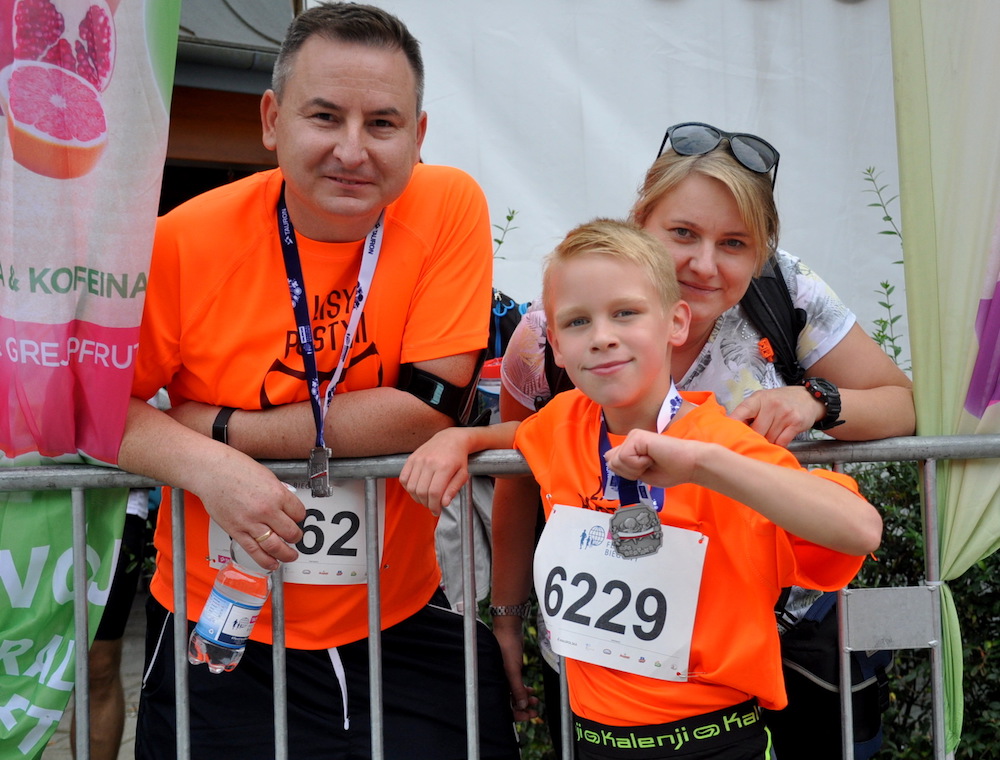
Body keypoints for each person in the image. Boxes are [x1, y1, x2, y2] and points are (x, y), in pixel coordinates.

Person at [115, 4, 518, 759]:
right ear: (272, 120)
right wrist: (212, 471)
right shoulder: (181, 241)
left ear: (419, 136)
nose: (352, 150)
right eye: (325, 116)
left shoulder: (446, 205)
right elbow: (101, 408)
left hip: (398, 617)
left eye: (383, 124)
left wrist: (221, 429)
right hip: (221, 621)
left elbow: (426, 409)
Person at [490, 123, 915, 756]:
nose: (703, 264)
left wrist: (816, 400)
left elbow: (899, 408)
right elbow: (519, 461)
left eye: (734, 243)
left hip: (767, 638)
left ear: (762, 252)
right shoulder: (553, 325)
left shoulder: (787, 292)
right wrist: (506, 613)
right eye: (683, 233)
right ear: (641, 222)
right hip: (603, 673)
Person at [400, 218, 883, 760]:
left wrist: (702, 465)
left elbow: (861, 529)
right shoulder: (562, 423)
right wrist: (460, 438)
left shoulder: (722, 446)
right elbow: (518, 433)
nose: (602, 335)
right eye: (578, 321)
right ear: (555, 345)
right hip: (590, 741)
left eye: (625, 313)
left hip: (716, 742)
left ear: (676, 322)